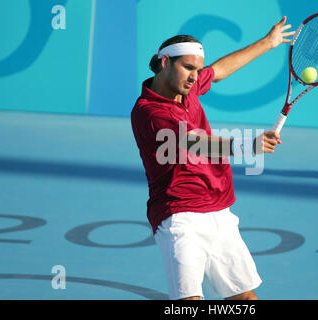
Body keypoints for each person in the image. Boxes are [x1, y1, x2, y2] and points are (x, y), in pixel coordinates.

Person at [131, 16, 295, 300]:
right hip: (179, 216)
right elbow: (194, 143)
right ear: (166, 63)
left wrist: (267, 43)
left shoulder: (188, 87)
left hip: (219, 210)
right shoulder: (149, 111)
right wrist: (249, 145)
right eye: (188, 68)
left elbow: (218, 71)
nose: (195, 76)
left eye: (196, 69)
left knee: (244, 299)